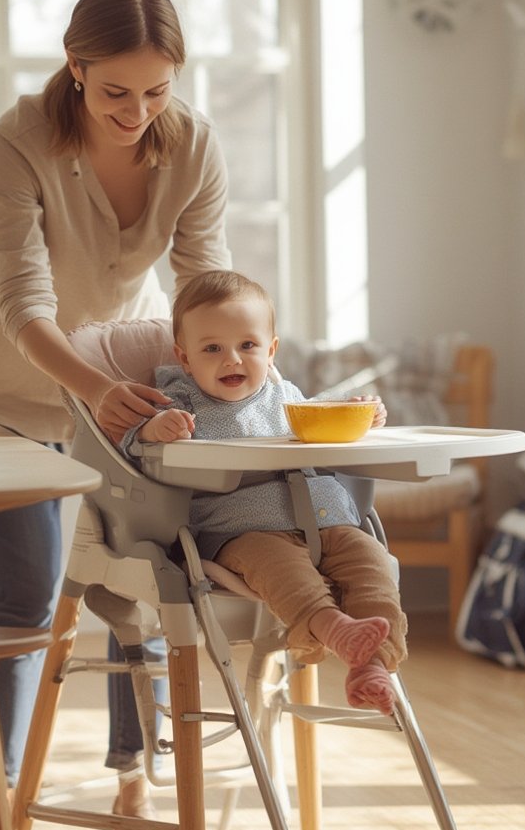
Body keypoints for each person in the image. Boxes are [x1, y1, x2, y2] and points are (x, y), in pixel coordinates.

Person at [0, 0, 232, 830]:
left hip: (127, 379)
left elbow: (206, 288)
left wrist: (233, 375)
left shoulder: (191, 146)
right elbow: (24, 301)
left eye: (156, 92)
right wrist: (95, 389)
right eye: (116, 91)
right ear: (76, 68)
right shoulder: (16, 143)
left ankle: (132, 808)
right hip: (19, 385)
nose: (137, 112)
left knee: (138, 596)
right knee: (30, 602)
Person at [119, 270, 408, 714]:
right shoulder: (179, 401)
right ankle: (333, 628)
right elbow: (131, 446)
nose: (231, 359)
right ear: (185, 358)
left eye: (247, 346)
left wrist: (356, 417)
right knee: (284, 572)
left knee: (374, 567)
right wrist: (155, 429)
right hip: (242, 533)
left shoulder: (285, 396)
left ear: (270, 350)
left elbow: (320, 424)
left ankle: (371, 663)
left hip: (327, 520)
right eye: (212, 348)